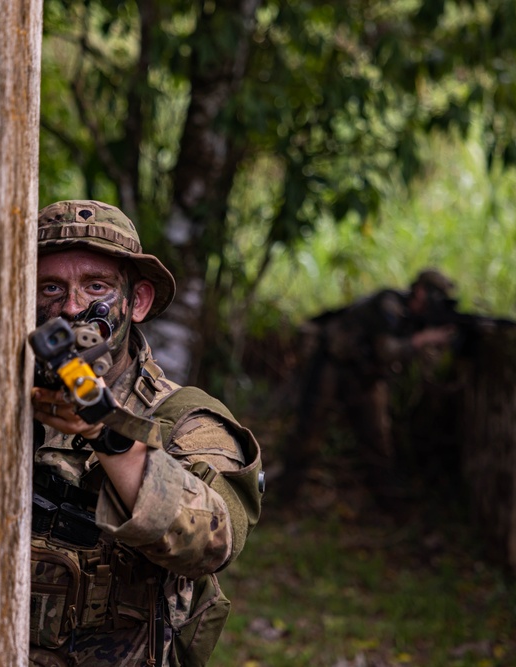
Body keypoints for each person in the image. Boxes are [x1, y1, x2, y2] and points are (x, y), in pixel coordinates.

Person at [28, 200, 263, 667]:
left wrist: (110, 433)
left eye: (96, 286)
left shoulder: (185, 418)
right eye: (50, 287)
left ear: (137, 302)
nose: (72, 306)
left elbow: (212, 542)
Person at [278, 270, 458, 507]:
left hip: (366, 375)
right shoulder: (390, 304)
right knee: (310, 431)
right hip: (334, 363)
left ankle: (389, 503)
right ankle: (284, 496)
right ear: (421, 291)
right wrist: (423, 340)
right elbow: (387, 350)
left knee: (377, 437)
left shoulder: (416, 319)